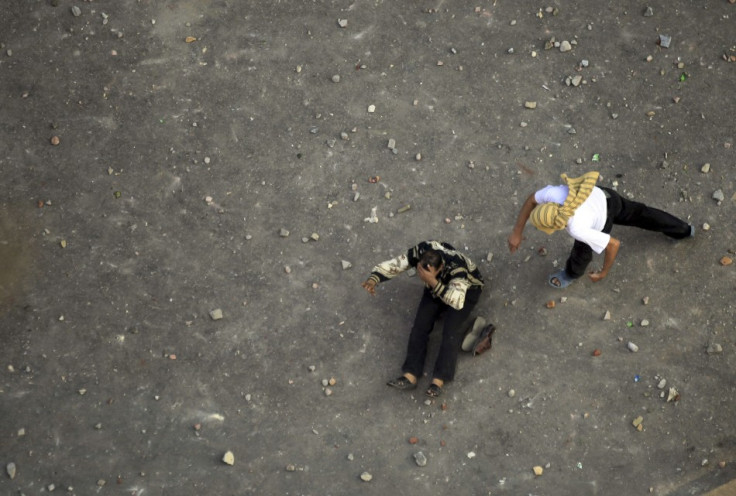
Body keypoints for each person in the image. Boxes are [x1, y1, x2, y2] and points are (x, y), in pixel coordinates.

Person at [508, 171, 694, 288]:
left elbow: (613, 244)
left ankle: (571, 274)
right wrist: (517, 232)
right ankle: (683, 230)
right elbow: (532, 199)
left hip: (603, 218)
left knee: (581, 252)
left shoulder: (576, 228)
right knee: (641, 213)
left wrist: (604, 272)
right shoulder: (554, 195)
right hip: (604, 195)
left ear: (557, 226)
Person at [361, 241, 490, 398]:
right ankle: (411, 375)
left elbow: (456, 300)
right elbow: (396, 264)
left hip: (465, 292)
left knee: (450, 331)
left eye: (425, 274)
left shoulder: (458, 269)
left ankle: (438, 380)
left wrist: (432, 281)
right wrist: (374, 279)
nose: (421, 276)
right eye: (420, 272)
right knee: (420, 326)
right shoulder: (422, 251)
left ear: (441, 268)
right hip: (435, 285)